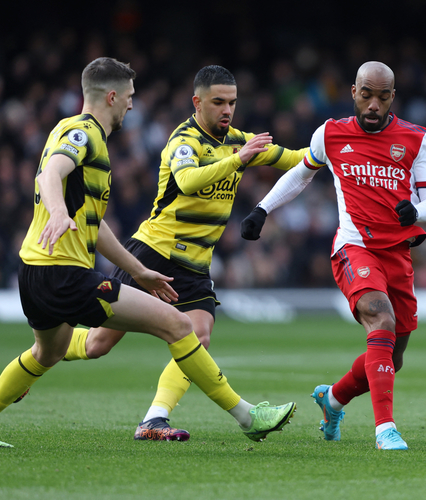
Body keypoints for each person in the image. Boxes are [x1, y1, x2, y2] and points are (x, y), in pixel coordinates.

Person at [0, 57, 295, 449]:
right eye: (129, 97)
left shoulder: (67, 129)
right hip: (66, 273)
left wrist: (136, 270)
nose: (132, 105)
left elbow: (97, 226)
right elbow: (51, 174)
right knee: (180, 327)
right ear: (111, 96)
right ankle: (248, 417)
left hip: (35, 271)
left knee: (49, 353)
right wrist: (59, 211)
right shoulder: (85, 133)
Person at [56, 64, 308, 441]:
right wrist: (239, 160)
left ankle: (154, 419)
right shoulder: (184, 141)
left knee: (198, 335)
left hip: (195, 266)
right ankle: (49, 345)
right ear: (197, 102)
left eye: (232, 103)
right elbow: (187, 181)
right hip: (154, 253)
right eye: (218, 102)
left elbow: (295, 159)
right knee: (97, 344)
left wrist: (335, 149)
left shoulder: (239, 139)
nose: (227, 110)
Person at [241, 61, 426, 450]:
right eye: (366, 94)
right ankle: (385, 429)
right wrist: (262, 209)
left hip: (397, 254)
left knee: (392, 357)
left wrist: (416, 211)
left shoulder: (416, 138)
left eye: (382, 97)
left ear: (392, 98)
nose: (372, 105)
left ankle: (332, 399)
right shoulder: (330, 134)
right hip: (353, 246)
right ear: (353, 91)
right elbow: (301, 173)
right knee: (380, 317)